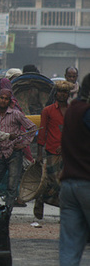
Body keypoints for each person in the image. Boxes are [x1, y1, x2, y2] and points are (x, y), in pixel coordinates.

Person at [59, 73, 90, 265]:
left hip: (69, 185)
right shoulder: (87, 112)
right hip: (87, 182)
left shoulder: (71, 110)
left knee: (69, 247)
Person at [34, 80, 73, 219]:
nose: (62, 95)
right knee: (55, 183)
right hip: (51, 152)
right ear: (55, 93)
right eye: (60, 92)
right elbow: (42, 132)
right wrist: (39, 154)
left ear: (68, 94)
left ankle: (65, 212)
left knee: (66, 184)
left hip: (68, 153)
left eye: (65, 92)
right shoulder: (48, 110)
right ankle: (42, 198)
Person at [0, 88, 36, 208]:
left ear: (9, 101)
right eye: (2, 98)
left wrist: (24, 143)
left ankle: (7, 211)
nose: (3, 101)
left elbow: (32, 128)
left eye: (6, 99)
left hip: (14, 153)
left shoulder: (16, 114)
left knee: (12, 185)